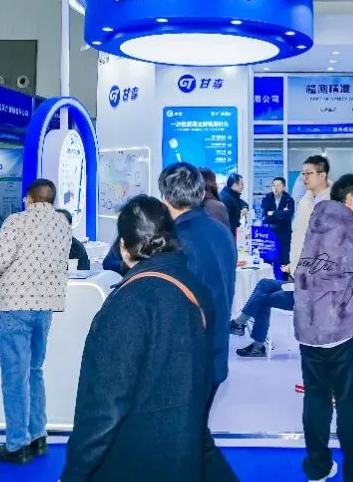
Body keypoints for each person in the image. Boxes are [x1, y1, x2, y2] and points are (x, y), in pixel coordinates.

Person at [61, 195, 215, 482]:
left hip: (131, 461)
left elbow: (103, 408)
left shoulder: (128, 302)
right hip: (183, 455)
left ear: (123, 246)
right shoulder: (197, 290)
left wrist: (74, 472)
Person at [294, 174, 353, 482]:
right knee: (349, 406)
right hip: (343, 328)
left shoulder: (315, 224)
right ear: (350, 199)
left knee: (316, 400)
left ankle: (318, 467)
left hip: (309, 329)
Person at [158, 163, 238, 481]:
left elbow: (175, 306)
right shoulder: (219, 231)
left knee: (184, 442)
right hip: (213, 350)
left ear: (164, 197)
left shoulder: (177, 240)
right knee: (194, 437)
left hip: (187, 358)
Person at [0, 178, 73, 465]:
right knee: (35, 370)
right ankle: (38, 435)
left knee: (15, 376)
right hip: (45, 306)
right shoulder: (63, 224)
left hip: (16, 304)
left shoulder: (17, 220)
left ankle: (17, 444)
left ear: (29, 199)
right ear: (53, 200)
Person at [232, 155, 331, 358]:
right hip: (299, 278)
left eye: (309, 173)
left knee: (265, 298)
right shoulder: (306, 201)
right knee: (264, 284)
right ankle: (241, 324)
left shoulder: (330, 205)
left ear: (322, 175)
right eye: (303, 173)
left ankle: (253, 339)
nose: (304, 178)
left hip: (315, 288)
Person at [261, 177, 295, 280]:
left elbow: (288, 214)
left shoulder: (289, 199)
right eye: (273, 185)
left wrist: (273, 213)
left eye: (278, 186)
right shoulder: (267, 198)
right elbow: (265, 215)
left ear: (283, 187)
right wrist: (280, 214)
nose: (275, 188)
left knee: (282, 260)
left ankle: (282, 283)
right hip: (269, 233)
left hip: (283, 234)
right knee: (267, 260)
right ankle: (267, 282)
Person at [220, 173, 246, 242]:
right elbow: (225, 221)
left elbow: (241, 202)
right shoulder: (225, 198)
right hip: (228, 236)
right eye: (242, 184)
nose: (243, 187)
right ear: (235, 185)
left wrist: (244, 207)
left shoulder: (232, 195)